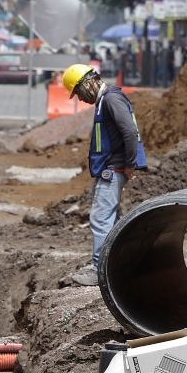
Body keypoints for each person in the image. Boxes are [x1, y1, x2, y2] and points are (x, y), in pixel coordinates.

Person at [62, 64, 141, 287]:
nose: (80, 98)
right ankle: (113, 265)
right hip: (112, 168)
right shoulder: (105, 101)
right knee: (110, 219)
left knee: (101, 218)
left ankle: (99, 270)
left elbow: (129, 132)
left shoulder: (111, 100)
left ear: (87, 83)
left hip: (113, 169)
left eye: (78, 92)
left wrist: (129, 164)